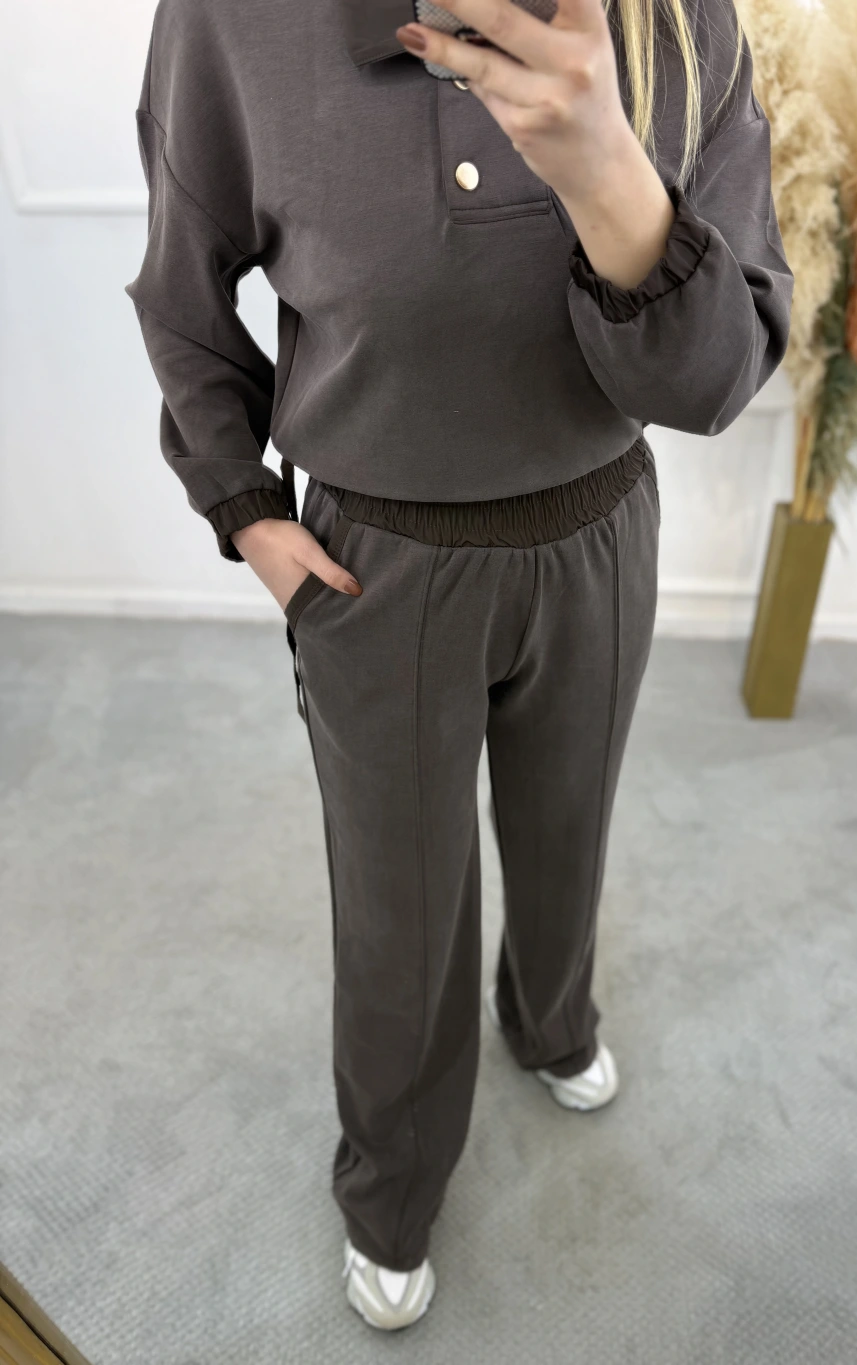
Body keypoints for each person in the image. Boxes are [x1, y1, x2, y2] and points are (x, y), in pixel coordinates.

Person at [126, 0, 791, 1332]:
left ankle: (550, 1022)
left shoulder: (674, 19)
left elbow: (715, 380)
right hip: (378, 566)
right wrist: (241, 502)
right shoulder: (232, 19)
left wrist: (607, 167)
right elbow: (182, 289)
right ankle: (391, 1191)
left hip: (599, 527)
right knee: (400, 907)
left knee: (567, 831)